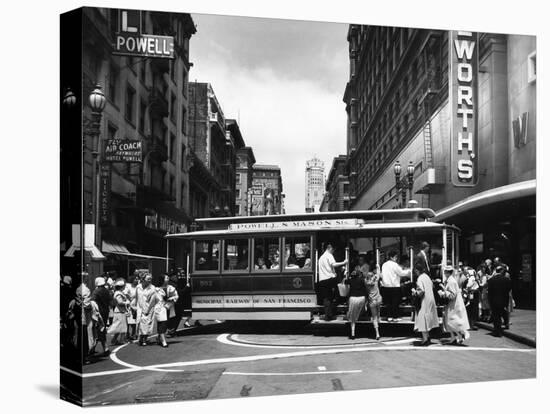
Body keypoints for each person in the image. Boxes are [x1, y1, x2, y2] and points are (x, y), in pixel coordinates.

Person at [439, 265, 470, 344]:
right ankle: (453, 337)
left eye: (445, 271)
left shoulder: (451, 281)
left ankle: (462, 334)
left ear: (446, 272)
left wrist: (443, 293)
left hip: (454, 305)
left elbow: (452, 295)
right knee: (450, 321)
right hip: (453, 304)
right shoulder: (450, 280)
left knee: (453, 321)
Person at [316, 243, 348, 321]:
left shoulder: (321, 258)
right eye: (333, 250)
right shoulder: (329, 255)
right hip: (329, 279)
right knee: (336, 296)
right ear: (330, 248)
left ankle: (328, 315)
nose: (333, 252)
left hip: (322, 280)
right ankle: (332, 313)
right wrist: (344, 262)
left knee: (326, 298)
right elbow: (333, 264)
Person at [412, 262, 439, 346]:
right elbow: (432, 286)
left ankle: (425, 339)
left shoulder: (420, 278)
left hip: (424, 300)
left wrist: (414, 292)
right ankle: (428, 336)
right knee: (427, 318)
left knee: (422, 319)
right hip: (431, 298)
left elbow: (421, 291)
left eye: (415, 271)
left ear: (417, 270)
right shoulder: (427, 276)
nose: (415, 273)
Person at [380, 250, 411, 322]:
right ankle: (395, 317)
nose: (396, 258)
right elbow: (401, 273)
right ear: (391, 257)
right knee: (395, 303)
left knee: (388, 303)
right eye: (395, 257)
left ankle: (389, 317)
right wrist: (409, 271)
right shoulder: (395, 265)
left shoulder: (384, 265)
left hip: (386, 286)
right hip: (394, 286)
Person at [488, 265, 512, 337]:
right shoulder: (506, 279)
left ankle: (497, 330)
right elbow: (508, 290)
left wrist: (490, 302)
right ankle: (504, 324)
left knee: (496, 316)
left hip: (494, 301)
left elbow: (490, 292)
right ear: (501, 271)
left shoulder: (491, 280)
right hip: (503, 300)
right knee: (502, 313)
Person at [153, 277, 178, 348]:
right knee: (162, 323)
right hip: (160, 307)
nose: (168, 278)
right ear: (162, 279)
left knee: (166, 323)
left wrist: (171, 299)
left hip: (168, 307)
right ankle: (164, 341)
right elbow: (155, 299)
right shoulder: (157, 289)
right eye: (166, 278)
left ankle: (159, 338)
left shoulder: (171, 288)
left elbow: (176, 296)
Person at [91, 276, 112, 355]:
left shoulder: (96, 291)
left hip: (98, 313)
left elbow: (93, 301)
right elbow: (111, 301)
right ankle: (93, 348)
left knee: (98, 330)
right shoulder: (107, 291)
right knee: (101, 329)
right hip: (105, 312)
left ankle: (104, 348)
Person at [344, 269, 366, 339]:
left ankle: (353, 333)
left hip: (353, 299)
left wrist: (345, 275)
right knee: (360, 311)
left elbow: (344, 281)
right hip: (361, 298)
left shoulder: (350, 280)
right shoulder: (362, 280)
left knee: (352, 318)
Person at [136, 273, 156, 346]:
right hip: (139, 307)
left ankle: (145, 339)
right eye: (148, 279)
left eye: (150, 279)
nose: (150, 280)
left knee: (146, 323)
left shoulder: (152, 288)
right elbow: (136, 297)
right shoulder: (138, 287)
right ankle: (140, 338)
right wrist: (135, 307)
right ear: (143, 279)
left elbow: (152, 300)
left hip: (148, 307)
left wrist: (148, 309)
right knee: (139, 323)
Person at [108, 279, 130, 346]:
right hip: (120, 311)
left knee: (119, 327)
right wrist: (127, 302)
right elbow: (120, 302)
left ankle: (114, 340)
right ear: (121, 286)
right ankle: (122, 340)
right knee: (122, 326)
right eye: (123, 286)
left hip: (120, 311)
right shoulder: (118, 293)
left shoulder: (119, 292)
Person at [365, 269, 382, 340]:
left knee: (374, 317)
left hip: (372, 301)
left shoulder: (366, 283)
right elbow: (378, 274)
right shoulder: (376, 281)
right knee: (378, 314)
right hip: (378, 299)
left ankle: (377, 333)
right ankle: (379, 319)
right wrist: (378, 267)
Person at [124, 274, 140, 340]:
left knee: (135, 321)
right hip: (129, 305)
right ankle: (127, 334)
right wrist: (129, 297)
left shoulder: (138, 287)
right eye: (135, 279)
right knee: (128, 321)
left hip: (136, 305)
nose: (137, 280)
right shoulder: (128, 286)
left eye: (137, 279)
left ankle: (134, 334)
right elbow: (125, 293)